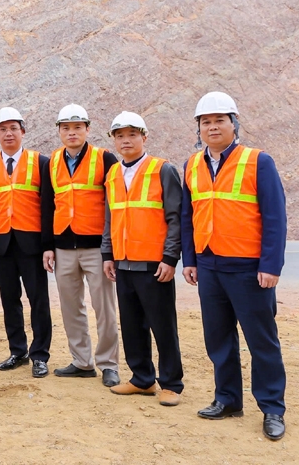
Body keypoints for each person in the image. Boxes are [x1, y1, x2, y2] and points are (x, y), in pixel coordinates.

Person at [182, 92, 288, 441]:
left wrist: (271, 266)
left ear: (234, 123)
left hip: (248, 269)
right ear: (198, 128)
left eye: (219, 121)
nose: (212, 127)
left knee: (261, 340)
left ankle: (272, 408)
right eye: (205, 122)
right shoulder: (192, 164)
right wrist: (191, 260)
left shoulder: (258, 161)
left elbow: (275, 218)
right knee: (219, 339)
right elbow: (189, 215)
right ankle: (227, 400)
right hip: (209, 267)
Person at [101, 112, 184, 407]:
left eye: (132, 135)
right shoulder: (112, 174)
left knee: (162, 325)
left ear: (144, 137)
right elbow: (110, 218)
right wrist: (107, 254)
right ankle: (142, 379)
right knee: (132, 324)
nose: (126, 140)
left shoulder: (163, 170)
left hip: (153, 265)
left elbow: (176, 218)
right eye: (120, 136)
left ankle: (171, 383)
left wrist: (170, 258)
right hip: (122, 263)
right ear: (114, 140)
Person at [42, 104, 121, 387]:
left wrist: (110, 247)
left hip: (96, 247)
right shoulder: (51, 161)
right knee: (70, 306)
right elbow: (47, 206)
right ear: (59, 131)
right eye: (66, 128)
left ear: (87, 129)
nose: (71, 132)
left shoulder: (104, 158)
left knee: (104, 307)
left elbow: (115, 205)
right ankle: (82, 361)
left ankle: (109, 364)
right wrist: (48, 245)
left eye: (77, 127)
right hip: (63, 247)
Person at [0, 107, 51, 377]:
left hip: (31, 244)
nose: (8, 133)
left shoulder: (40, 162)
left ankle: (40, 355)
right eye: (2, 129)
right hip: (1, 244)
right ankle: (18, 350)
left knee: (38, 300)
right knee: (10, 299)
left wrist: (48, 246)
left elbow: (48, 207)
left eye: (13, 128)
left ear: (23, 131)